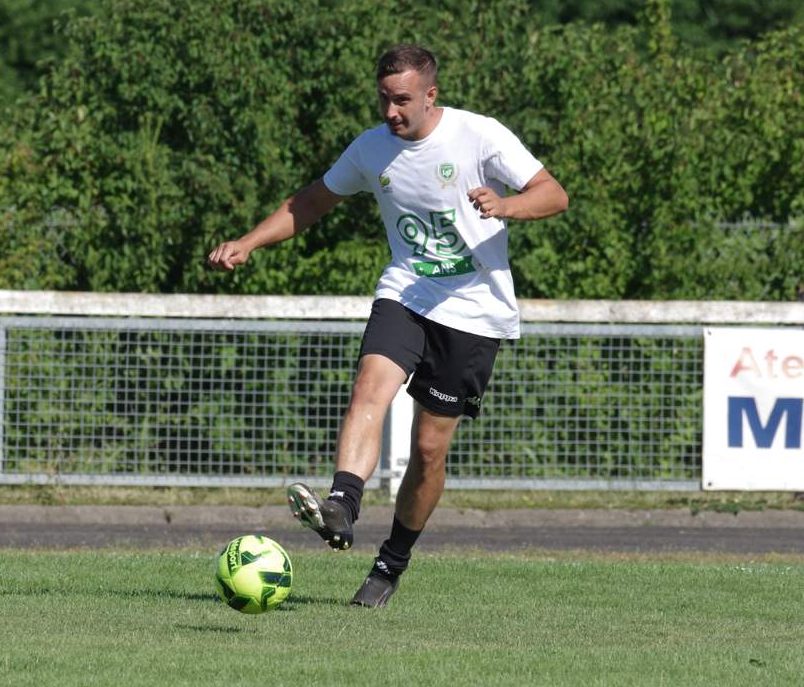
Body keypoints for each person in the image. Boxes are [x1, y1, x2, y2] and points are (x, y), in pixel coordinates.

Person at [206, 45, 568, 607]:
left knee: (428, 449)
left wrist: (506, 206)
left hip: (474, 310)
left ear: (430, 94)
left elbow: (554, 194)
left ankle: (390, 563)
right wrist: (249, 242)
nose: (391, 111)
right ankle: (341, 505)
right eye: (383, 99)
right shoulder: (371, 148)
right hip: (407, 290)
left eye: (402, 100)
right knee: (370, 386)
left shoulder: (479, 135)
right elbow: (311, 201)